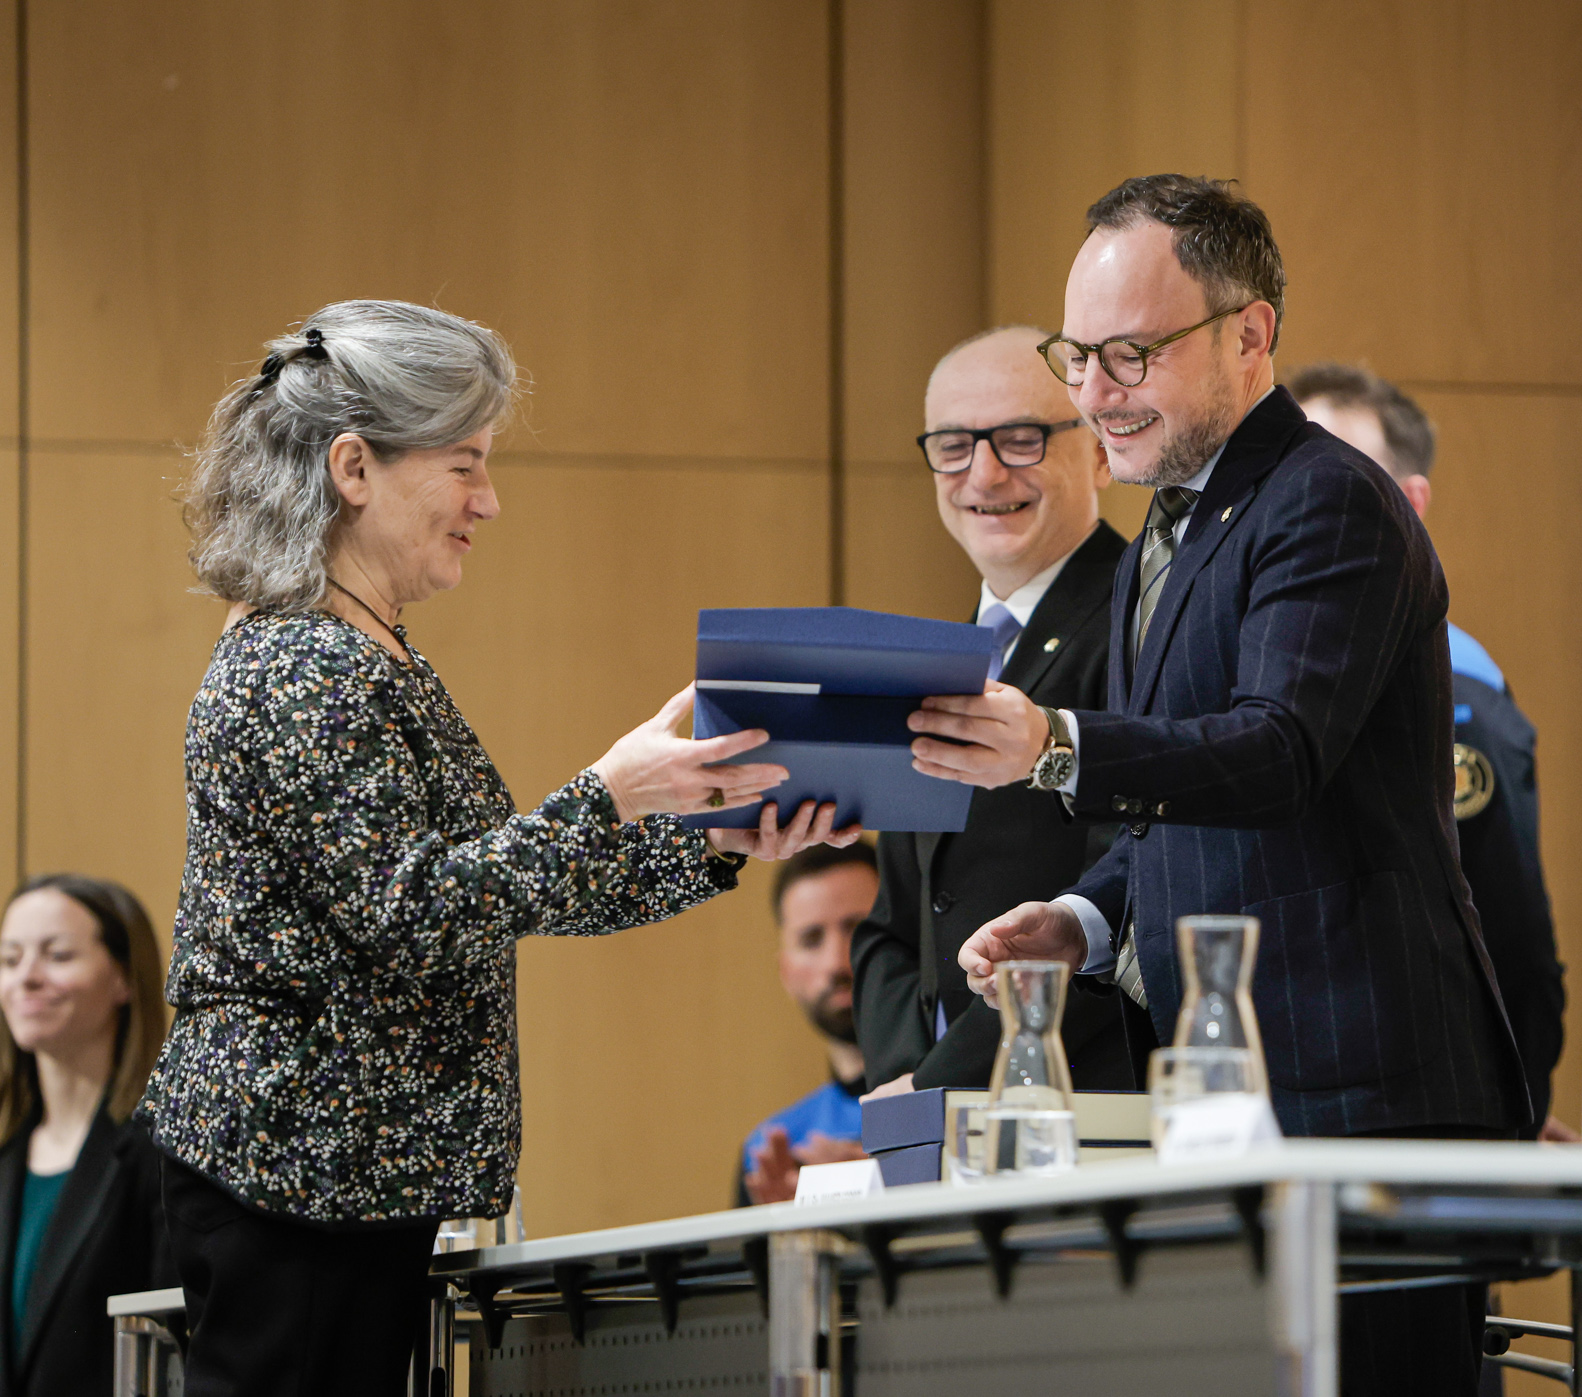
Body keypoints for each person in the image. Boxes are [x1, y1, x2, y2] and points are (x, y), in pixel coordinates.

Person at [140, 300, 856, 1395]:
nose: (489, 499)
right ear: (353, 468)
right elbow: (413, 910)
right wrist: (603, 793)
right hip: (295, 1168)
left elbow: (498, 889)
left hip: (340, 1173)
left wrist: (713, 838)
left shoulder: (367, 654)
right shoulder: (302, 667)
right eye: (464, 464)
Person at [913, 175, 1526, 1394]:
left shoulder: (1324, 501)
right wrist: (1082, 918)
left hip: (1360, 1102)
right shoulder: (1174, 525)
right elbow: (1184, 806)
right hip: (1230, 1103)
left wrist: (1053, 741)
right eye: (1077, 356)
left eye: (1130, 354)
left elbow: (1274, 749)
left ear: (1249, 334)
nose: (1093, 394)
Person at [851, 327, 1136, 1102]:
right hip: (940, 1118)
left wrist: (942, 1079)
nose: (982, 472)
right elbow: (893, 925)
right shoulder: (943, 658)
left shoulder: (1144, 620)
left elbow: (1128, 888)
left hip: (1084, 1101)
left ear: (1101, 452)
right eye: (953, 445)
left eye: (1020, 438)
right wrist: (906, 1077)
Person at [1289, 362, 1571, 1142]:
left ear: (1409, 504)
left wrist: (1509, 1116)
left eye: (1345, 479)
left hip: (1417, 1136)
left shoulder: (1460, 689)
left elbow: (1513, 941)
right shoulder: (1281, 662)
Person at [0, 876, 171, 1397]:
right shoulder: (5, 1158)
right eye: (9, 959)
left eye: (58, 955)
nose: (27, 978)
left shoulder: (163, 1153)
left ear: (123, 978)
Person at [741, 842, 878, 1205]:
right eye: (811, 939)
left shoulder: (964, 1107)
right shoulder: (768, 1155)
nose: (836, 963)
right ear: (786, 973)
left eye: (857, 928)